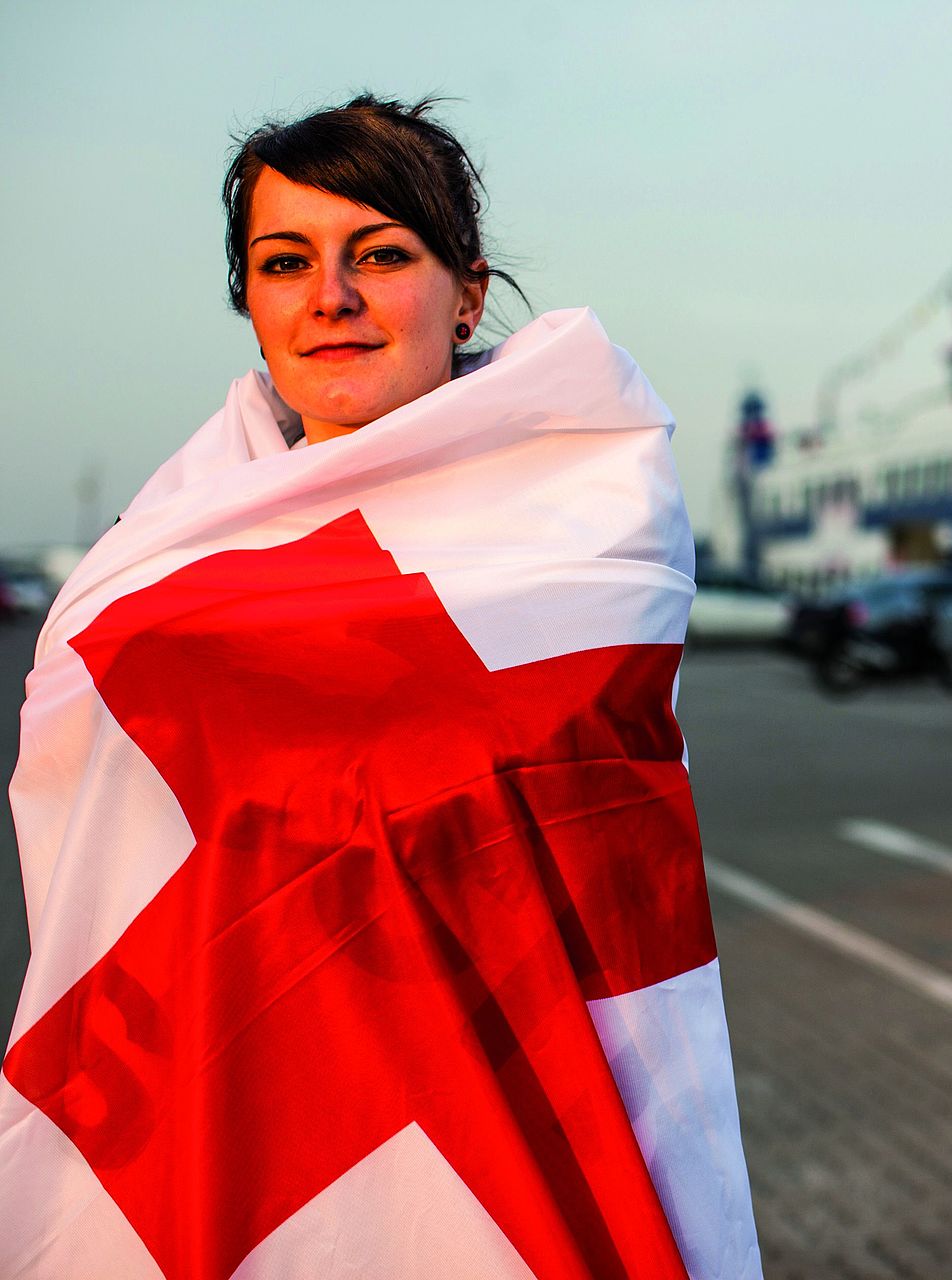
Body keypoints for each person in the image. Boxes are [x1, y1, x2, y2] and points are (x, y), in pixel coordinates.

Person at [1, 96, 761, 1279]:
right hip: (230, 1102)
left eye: (383, 255)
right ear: (249, 303)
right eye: (285, 262)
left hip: (512, 1108)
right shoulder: (150, 568)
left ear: (467, 291)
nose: (332, 297)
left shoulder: (585, 516)